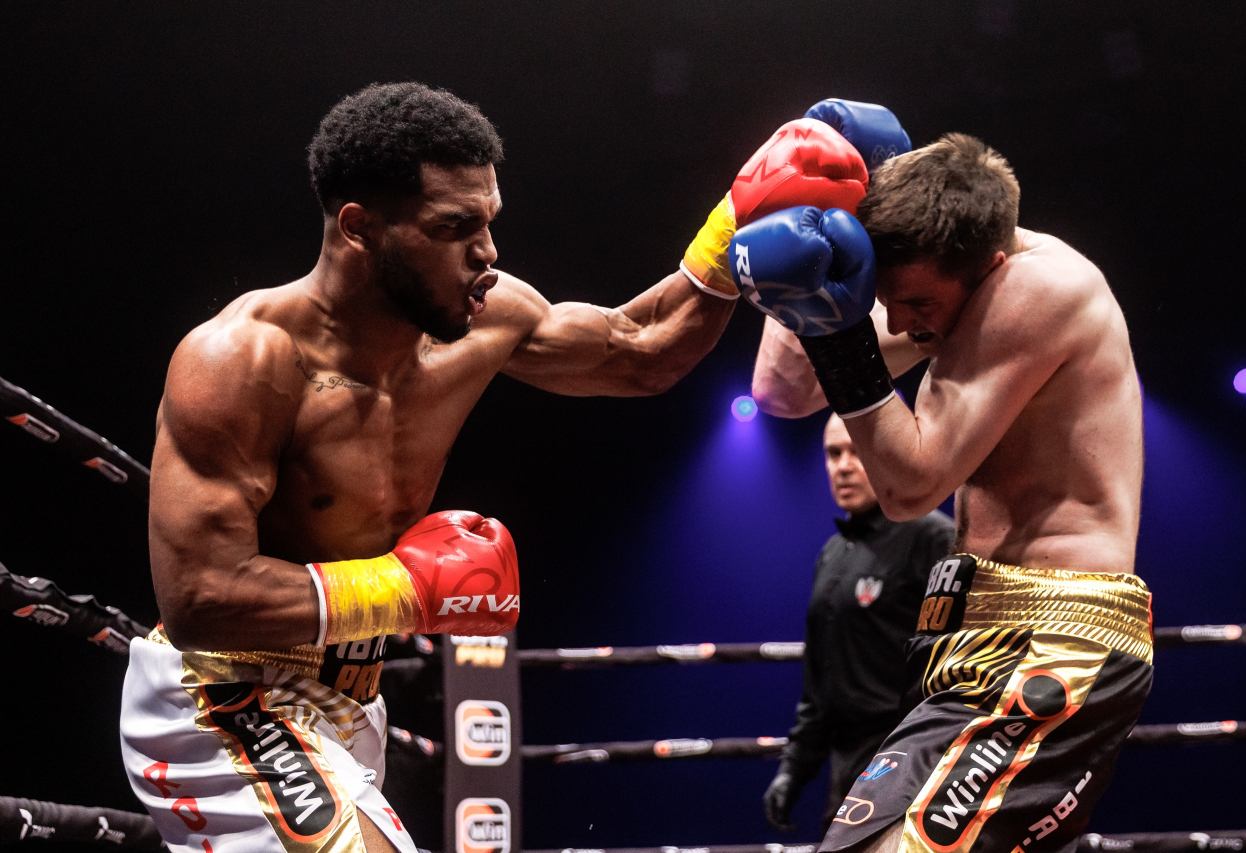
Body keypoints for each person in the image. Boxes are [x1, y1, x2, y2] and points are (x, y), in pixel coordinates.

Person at [119, 82, 886, 853]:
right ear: (359, 228)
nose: (486, 251)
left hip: (350, 699)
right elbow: (198, 597)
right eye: (453, 228)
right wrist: (407, 589)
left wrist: (738, 215)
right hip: (223, 692)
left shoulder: (488, 317)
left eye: (488, 221)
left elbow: (643, 352)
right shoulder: (243, 360)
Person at [735, 132, 1151, 853]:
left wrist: (839, 336)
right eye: (886, 301)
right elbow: (782, 389)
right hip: (959, 639)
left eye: (915, 302)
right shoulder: (941, 297)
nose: (898, 322)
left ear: (987, 264)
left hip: (1053, 641)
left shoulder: (1040, 288)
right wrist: (801, 211)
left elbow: (910, 486)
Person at [764, 414, 953, 832]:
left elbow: (966, 663)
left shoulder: (933, 538)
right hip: (848, 771)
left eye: (857, 452)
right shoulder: (833, 554)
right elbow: (820, 680)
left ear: (888, 455)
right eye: (834, 454)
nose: (844, 466)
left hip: (913, 766)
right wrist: (795, 767)